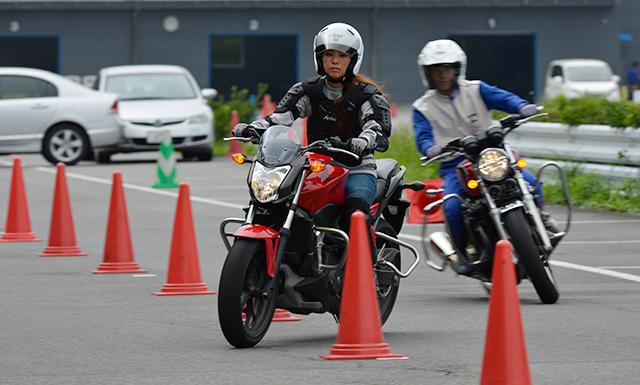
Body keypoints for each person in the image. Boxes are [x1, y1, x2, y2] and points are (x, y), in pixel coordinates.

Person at [412, 39, 553, 275]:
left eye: (447, 69)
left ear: (457, 69)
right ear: (428, 73)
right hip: (455, 163)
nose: (442, 75)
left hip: (493, 153)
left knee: (531, 183)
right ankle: (463, 253)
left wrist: (522, 106)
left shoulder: (476, 89)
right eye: (436, 70)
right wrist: (430, 149)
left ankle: (542, 221)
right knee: (453, 207)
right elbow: (423, 137)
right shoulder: (422, 107)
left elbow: (504, 98)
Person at [233, 22, 392, 231]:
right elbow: (279, 118)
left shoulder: (366, 95)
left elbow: (377, 126)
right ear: (319, 57)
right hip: (317, 165)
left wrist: (363, 141)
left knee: (355, 215)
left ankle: (365, 263)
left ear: (353, 59)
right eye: (329, 54)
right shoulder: (308, 91)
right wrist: (255, 128)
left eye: (343, 55)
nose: (335, 60)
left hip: (356, 168)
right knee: (282, 200)